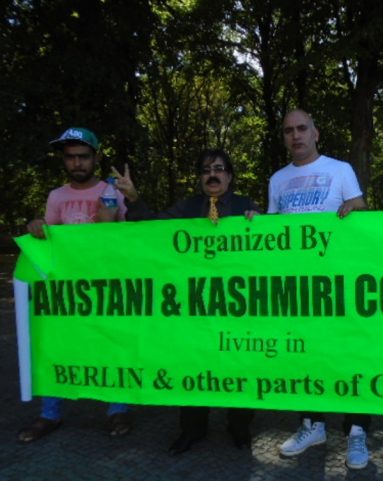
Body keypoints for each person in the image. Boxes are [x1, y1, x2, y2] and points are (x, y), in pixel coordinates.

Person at [113, 149, 259, 455]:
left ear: (230, 176)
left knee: (239, 365)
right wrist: (134, 198)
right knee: (193, 365)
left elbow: (273, 249)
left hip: (236, 306)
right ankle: (192, 429)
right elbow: (152, 230)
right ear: (200, 178)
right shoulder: (187, 207)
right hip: (194, 307)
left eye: (219, 169)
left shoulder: (246, 206)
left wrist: (261, 224)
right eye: (206, 170)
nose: (213, 174)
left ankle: (240, 427)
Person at [269, 109, 370, 469]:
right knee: (305, 357)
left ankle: (357, 431)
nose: (295, 136)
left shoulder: (340, 169)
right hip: (298, 290)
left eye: (301, 129)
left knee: (350, 357)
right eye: (288, 131)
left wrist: (356, 206)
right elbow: (272, 235)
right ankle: (312, 425)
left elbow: (361, 210)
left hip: (340, 286)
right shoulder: (277, 180)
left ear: (315, 132)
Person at [18, 127, 131, 442]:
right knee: (56, 346)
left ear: (95, 158)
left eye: (83, 156)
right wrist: (38, 228)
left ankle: (117, 410)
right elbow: (49, 242)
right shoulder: (57, 196)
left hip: (106, 287)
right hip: (66, 292)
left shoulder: (113, 191)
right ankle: (49, 414)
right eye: (70, 157)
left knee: (111, 347)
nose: (77, 163)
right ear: (64, 161)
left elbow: (130, 237)